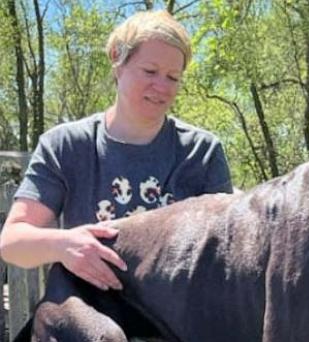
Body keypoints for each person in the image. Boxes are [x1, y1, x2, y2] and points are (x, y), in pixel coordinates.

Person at [0, 10, 232, 292]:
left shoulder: (202, 152)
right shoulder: (66, 146)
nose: (161, 86)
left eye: (173, 77)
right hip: (90, 313)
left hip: (176, 318)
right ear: (117, 60)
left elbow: (226, 250)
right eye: (150, 71)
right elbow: (12, 242)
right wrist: (62, 244)